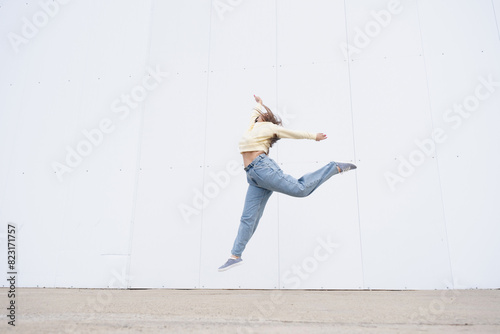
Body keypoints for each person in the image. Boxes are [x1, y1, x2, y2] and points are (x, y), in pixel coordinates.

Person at [218, 95, 356, 272]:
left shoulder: (269, 127)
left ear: (266, 117)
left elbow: (293, 134)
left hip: (263, 169)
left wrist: (314, 136)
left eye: (261, 113)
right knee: (248, 218)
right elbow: (253, 113)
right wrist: (258, 104)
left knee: (300, 189)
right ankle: (235, 256)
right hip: (252, 176)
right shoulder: (252, 126)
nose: (257, 115)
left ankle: (333, 167)